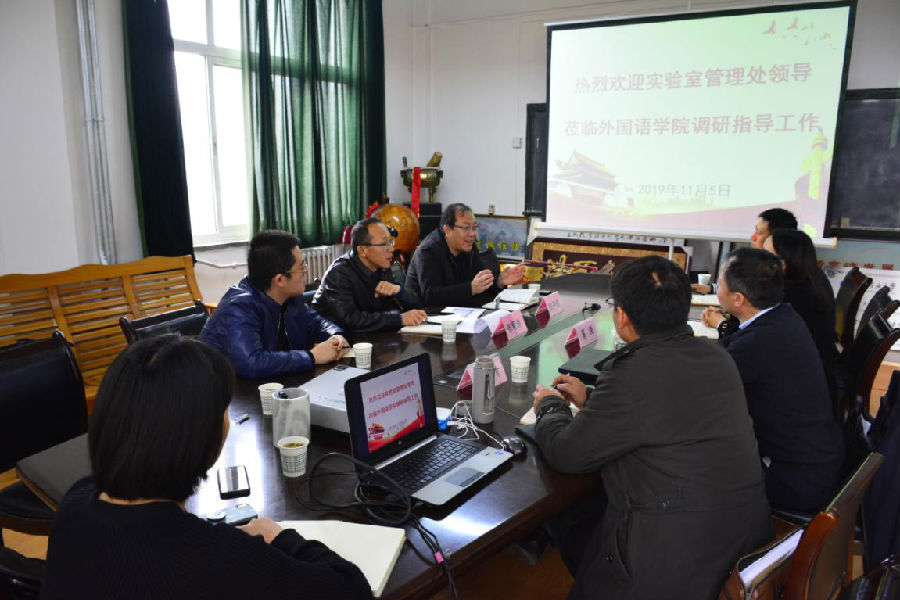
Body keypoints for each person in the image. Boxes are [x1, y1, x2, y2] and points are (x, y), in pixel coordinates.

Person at [41, 335, 373, 600]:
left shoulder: (75, 502)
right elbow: (350, 589)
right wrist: (280, 537)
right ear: (203, 437)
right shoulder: (217, 559)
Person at [531, 256, 771, 600]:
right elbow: (669, 408)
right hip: (743, 540)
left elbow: (567, 453)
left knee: (568, 509)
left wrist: (550, 406)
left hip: (675, 562)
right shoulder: (717, 356)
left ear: (623, 316)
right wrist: (595, 400)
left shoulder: (631, 372)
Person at [702, 248, 844, 512]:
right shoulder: (782, 316)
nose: (717, 288)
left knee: (689, 466)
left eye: (719, 283)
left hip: (793, 481)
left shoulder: (761, 341)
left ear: (738, 299)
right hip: (814, 461)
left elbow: (704, 379)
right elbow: (730, 348)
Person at [201, 230, 346, 379]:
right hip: (224, 388)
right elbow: (252, 363)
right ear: (279, 280)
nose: (306, 271)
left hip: (274, 383)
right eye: (302, 267)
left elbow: (316, 323)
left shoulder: (289, 297)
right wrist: (311, 357)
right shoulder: (239, 307)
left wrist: (336, 336)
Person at [312, 218, 427, 332]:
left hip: (371, 335)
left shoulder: (383, 266)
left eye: (390, 242)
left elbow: (417, 304)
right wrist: (399, 319)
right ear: (363, 250)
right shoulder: (339, 273)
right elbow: (350, 320)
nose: (391, 249)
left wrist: (398, 290)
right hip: (335, 339)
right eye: (385, 244)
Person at [763, 230, 838, 402]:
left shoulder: (792, 296)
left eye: (765, 255)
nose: (759, 261)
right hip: (817, 374)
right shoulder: (811, 279)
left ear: (785, 261)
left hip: (803, 389)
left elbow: (759, 339)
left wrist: (723, 323)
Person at [405, 203, 526, 307]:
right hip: (425, 316)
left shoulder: (468, 247)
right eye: (466, 228)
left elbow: (480, 286)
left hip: (460, 313)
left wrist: (500, 281)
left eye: (474, 228)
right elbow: (431, 295)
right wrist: (471, 289)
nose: (472, 234)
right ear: (447, 230)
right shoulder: (428, 251)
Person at [692, 207, 798, 294]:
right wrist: (711, 288)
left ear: (776, 238)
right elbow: (740, 287)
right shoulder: (754, 262)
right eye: (755, 231)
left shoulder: (783, 274)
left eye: (760, 233)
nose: (753, 237)